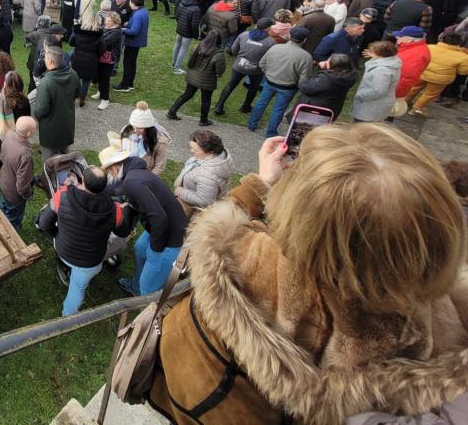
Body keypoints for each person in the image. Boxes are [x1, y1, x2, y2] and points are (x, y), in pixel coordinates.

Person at [150, 126, 468, 422]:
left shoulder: (237, 276)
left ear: (298, 221)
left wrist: (259, 187)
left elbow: (204, 244)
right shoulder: (445, 337)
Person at [39, 165, 136, 315]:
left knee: (77, 287)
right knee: (77, 290)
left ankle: (68, 317)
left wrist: (57, 235)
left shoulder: (62, 194)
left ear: (82, 180)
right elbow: (123, 232)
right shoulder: (113, 209)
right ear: (104, 187)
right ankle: (68, 317)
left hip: (64, 250)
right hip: (90, 263)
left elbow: (44, 223)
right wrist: (126, 210)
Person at [99, 145, 187, 295]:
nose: (110, 175)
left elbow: (159, 218)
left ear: (114, 168)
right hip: (162, 226)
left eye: (108, 171)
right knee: (140, 248)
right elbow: (119, 189)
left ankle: (145, 296)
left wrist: (156, 249)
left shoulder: (131, 182)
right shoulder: (133, 171)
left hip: (169, 238)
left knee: (149, 286)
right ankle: (136, 285)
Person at [248, 27, 313, 137]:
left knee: (261, 102)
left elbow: (262, 64)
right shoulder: (306, 57)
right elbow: (304, 79)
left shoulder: (275, 48)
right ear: (304, 40)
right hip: (288, 88)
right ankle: (270, 133)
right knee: (278, 110)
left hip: (270, 82)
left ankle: (251, 124)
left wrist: (270, 73)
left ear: (289, 36)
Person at [214, 18, 275, 116]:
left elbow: (233, 50)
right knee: (253, 88)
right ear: (267, 28)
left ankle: (219, 106)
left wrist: (239, 58)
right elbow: (269, 58)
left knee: (231, 85)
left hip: (239, 65)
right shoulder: (270, 41)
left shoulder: (244, 35)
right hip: (256, 69)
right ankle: (245, 107)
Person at [167, 29, 226, 126]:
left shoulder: (198, 46)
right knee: (206, 100)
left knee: (187, 94)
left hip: (193, 76)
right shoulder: (218, 54)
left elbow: (191, 61)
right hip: (207, 80)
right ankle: (203, 120)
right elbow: (220, 70)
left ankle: (171, 111)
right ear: (219, 40)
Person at [33, 45, 80, 161]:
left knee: (49, 161)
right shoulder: (73, 74)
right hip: (67, 124)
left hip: (50, 129)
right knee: (64, 154)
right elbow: (77, 94)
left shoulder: (46, 82)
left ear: (49, 61)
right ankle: (66, 175)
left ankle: (50, 178)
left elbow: (40, 110)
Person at [171, 129, 234, 215]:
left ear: (210, 152)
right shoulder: (216, 156)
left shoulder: (207, 176)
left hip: (194, 210)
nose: (191, 151)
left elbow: (205, 202)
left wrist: (181, 192)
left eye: (195, 149)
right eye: (191, 148)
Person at [406, 31, 468, 115]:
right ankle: (417, 109)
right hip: (440, 79)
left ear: (442, 39)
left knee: (414, 88)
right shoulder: (463, 56)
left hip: (422, 73)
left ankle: (405, 102)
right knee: (429, 94)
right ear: (459, 43)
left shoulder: (429, 47)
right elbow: (463, 72)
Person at [0, 116, 38, 231]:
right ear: (29, 133)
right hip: (14, 195)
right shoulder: (25, 155)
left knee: (4, 208)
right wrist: (28, 195)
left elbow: (2, 157)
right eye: (34, 130)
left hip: (4, 182)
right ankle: (11, 239)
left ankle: (2, 224)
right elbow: (22, 185)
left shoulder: (9, 134)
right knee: (13, 220)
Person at [297, 53, 357, 120]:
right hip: (330, 111)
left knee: (303, 129)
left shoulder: (326, 79)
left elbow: (306, 88)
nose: (326, 61)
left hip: (313, 112)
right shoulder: (348, 78)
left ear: (332, 65)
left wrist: (303, 78)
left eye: (328, 61)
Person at [393, 26, 432, 100]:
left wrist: (396, 95)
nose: (397, 37)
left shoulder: (417, 56)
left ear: (409, 40)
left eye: (400, 36)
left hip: (394, 90)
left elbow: (406, 79)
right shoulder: (410, 47)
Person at [173, 0, 204, 74]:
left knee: (177, 45)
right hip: (188, 33)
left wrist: (180, 25)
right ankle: (177, 68)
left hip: (180, 29)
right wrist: (196, 35)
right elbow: (194, 25)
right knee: (183, 49)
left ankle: (174, 63)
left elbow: (177, 15)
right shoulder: (196, 9)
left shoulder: (183, 2)